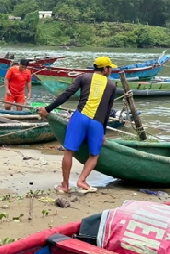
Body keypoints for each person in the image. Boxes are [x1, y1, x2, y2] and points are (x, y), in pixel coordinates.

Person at [38, 56, 118, 194]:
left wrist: (48, 109)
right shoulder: (112, 85)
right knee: (94, 155)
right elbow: (107, 111)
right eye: (110, 68)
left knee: (69, 152)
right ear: (105, 69)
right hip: (97, 123)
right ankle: (82, 180)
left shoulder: (84, 78)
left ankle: (65, 185)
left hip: (80, 118)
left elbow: (66, 95)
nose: (111, 70)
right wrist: (103, 133)